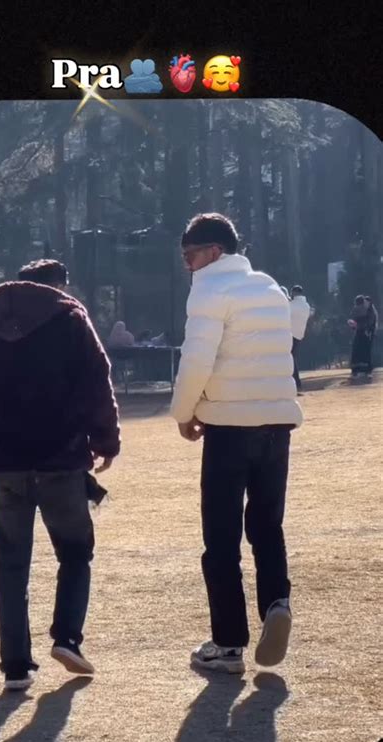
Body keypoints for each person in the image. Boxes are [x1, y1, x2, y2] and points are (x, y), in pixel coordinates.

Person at [0, 259, 120, 691]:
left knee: (10, 564)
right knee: (75, 553)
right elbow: (97, 383)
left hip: (5, 464)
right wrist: (105, 440)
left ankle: (15, 666)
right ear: (58, 287)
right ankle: (67, 637)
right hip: (61, 460)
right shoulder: (72, 321)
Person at [170, 213, 303, 674]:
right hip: (277, 424)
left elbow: (196, 359)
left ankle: (228, 645)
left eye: (190, 255)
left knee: (221, 536)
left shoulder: (209, 290)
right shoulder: (268, 287)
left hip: (228, 426)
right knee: (267, 525)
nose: (187, 265)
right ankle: (277, 602)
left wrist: (184, 412)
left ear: (214, 252)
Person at [349, 294, 378, 377]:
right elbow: (353, 320)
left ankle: (366, 370)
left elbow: (370, 322)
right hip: (360, 332)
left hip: (367, 332)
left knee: (365, 351)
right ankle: (356, 370)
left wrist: (360, 326)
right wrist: (353, 325)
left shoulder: (370, 310)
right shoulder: (356, 310)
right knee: (357, 351)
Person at [289, 285, 311, 395]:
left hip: (290, 334)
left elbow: (285, 313)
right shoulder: (306, 305)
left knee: (290, 359)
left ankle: (296, 383)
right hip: (299, 334)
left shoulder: (292, 305)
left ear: (294, 292)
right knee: (292, 358)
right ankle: (296, 384)